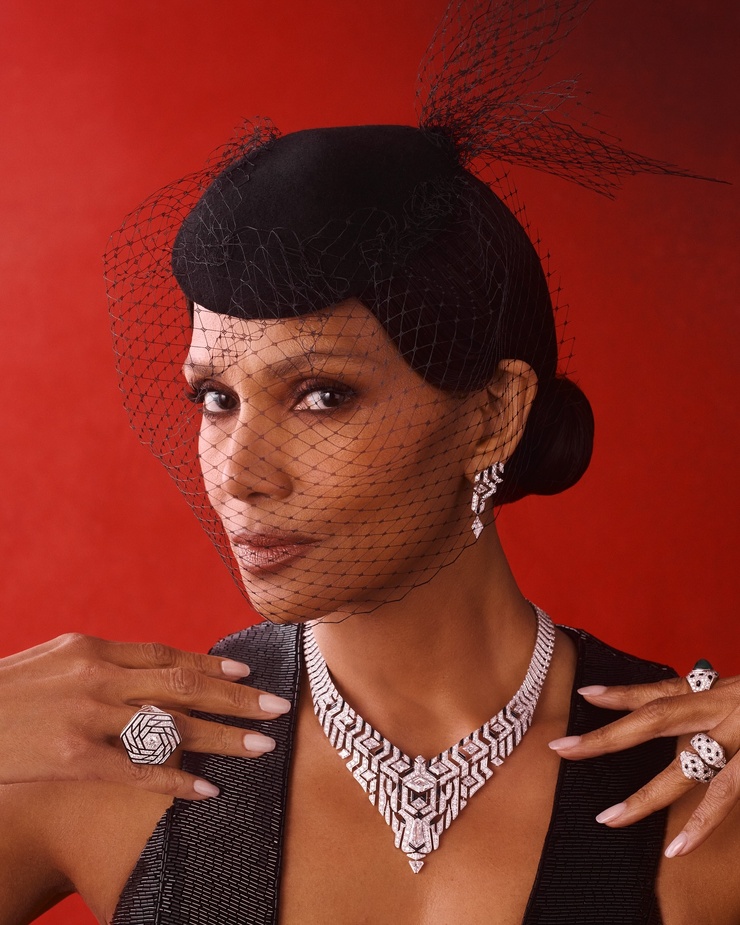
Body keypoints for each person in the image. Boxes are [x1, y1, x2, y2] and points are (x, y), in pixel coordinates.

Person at [0, 2, 738, 923]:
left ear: (493, 415)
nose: (239, 472)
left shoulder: (701, 794)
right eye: (216, 398)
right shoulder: (100, 765)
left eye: (320, 395)